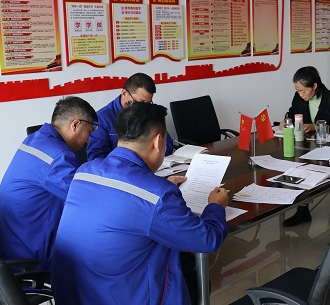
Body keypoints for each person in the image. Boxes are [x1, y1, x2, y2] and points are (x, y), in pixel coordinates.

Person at [51, 102, 229, 304]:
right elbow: (207, 240)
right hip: (119, 296)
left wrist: (158, 187)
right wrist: (215, 206)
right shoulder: (157, 195)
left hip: (72, 293)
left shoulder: (84, 172)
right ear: (158, 141)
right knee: (192, 274)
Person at [0, 96, 97, 267]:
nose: (88, 141)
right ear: (75, 125)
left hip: (13, 243)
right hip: (32, 257)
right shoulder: (57, 156)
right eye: (89, 133)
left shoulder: (34, 139)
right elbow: (87, 198)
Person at [282, 66, 330, 227]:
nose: (300, 95)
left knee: (307, 171)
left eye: (303, 91)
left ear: (315, 86)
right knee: (296, 166)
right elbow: (292, 112)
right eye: (298, 91)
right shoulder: (299, 97)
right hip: (306, 145)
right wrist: (286, 120)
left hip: (328, 147)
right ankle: (302, 210)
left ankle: (304, 209)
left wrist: (315, 127)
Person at [87, 72, 174, 160]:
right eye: (140, 102)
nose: (143, 107)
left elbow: (167, 143)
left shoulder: (148, 110)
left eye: (148, 103)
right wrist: (137, 159)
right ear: (124, 93)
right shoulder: (102, 119)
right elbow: (96, 158)